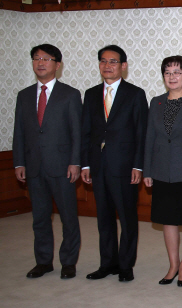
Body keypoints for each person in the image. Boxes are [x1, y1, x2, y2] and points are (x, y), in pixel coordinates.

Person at [13, 44, 82, 279]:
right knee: (39, 217)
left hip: (62, 166)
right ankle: (43, 262)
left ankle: (68, 262)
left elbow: (76, 132)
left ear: (57, 64)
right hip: (33, 166)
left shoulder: (70, 94)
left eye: (46, 58)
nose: (40, 62)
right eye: (36, 58)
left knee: (68, 217)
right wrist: (18, 162)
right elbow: (19, 133)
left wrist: (75, 162)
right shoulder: (23, 96)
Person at [81, 45, 149, 282]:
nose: (107, 65)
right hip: (98, 166)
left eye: (113, 61)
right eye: (103, 61)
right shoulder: (90, 94)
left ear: (123, 66)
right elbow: (86, 133)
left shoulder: (135, 94)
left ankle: (125, 265)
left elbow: (142, 133)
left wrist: (139, 166)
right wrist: (85, 165)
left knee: (128, 218)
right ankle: (107, 263)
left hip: (125, 167)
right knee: (104, 218)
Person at [143, 56, 182, 287]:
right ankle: (173, 264)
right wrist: (147, 170)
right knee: (167, 219)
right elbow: (150, 137)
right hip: (161, 170)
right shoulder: (156, 102)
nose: (172, 77)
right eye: (168, 72)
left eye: (177, 72)